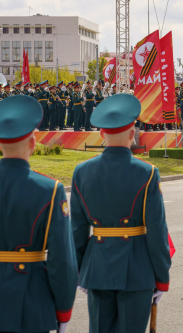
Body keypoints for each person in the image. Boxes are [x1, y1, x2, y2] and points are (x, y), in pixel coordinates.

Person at [71, 94, 171, 332]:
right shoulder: (147, 172)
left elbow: (76, 231)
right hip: (137, 269)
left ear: (102, 134)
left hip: (97, 269)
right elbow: (157, 231)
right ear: (132, 132)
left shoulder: (81, 172)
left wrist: (81, 271)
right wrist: (162, 278)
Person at [0, 95, 78, 333]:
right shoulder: (48, 190)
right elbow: (62, 259)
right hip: (30, 301)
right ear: (33, 143)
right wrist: (64, 310)